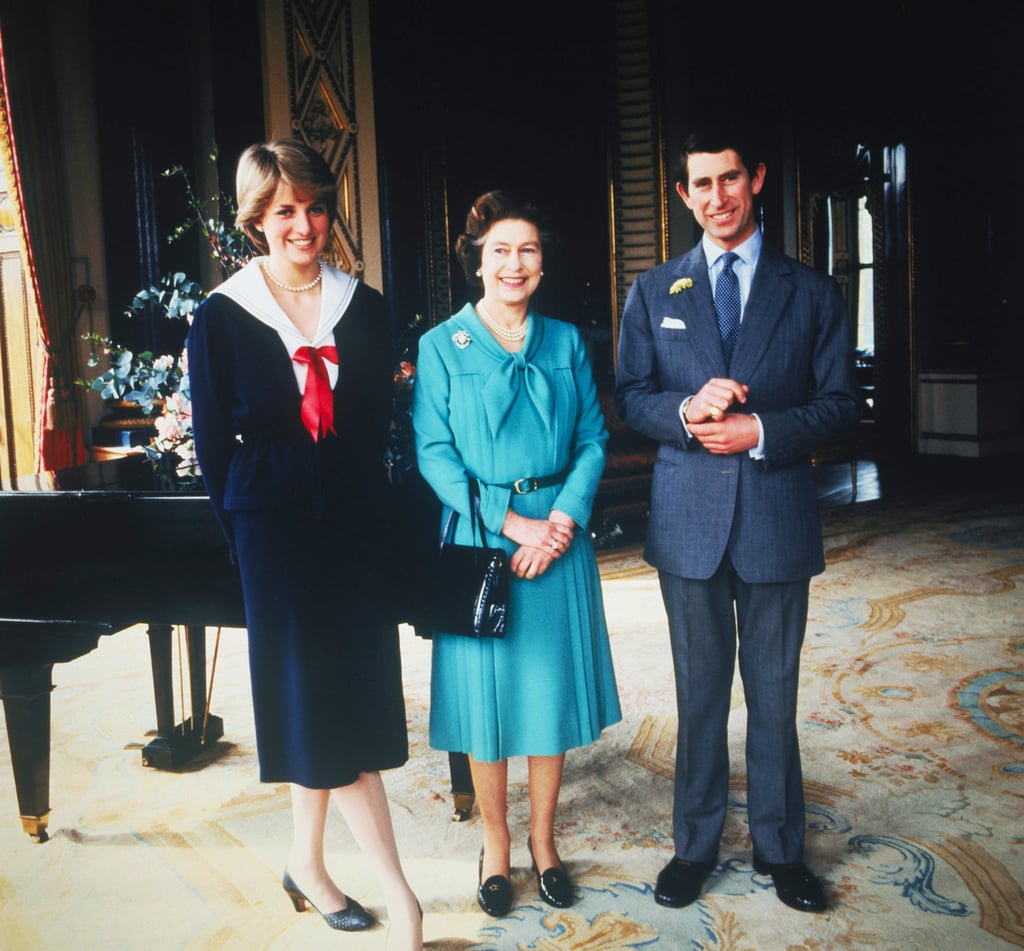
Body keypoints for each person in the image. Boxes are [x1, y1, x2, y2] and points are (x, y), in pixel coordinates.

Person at [614, 124, 861, 914]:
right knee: (698, 693)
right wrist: (687, 410)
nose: (716, 198)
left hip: (777, 517)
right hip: (687, 519)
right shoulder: (655, 291)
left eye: (730, 179)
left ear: (754, 179)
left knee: (775, 691)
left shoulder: (814, 291)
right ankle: (695, 844)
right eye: (700, 185)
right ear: (683, 195)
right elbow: (630, 396)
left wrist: (761, 431)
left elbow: (840, 403)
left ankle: (781, 849)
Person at [187, 139, 422, 951]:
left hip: (355, 530)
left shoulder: (368, 306)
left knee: (340, 701)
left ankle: (305, 866)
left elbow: (377, 433)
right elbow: (216, 449)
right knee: (314, 701)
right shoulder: (221, 316)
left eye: (315, 206)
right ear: (258, 219)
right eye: (284, 209)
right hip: (273, 533)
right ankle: (401, 897)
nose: (304, 224)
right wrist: (247, 539)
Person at [412, 190, 621, 917]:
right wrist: (513, 523)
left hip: (559, 536)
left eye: (527, 249)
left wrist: (560, 518)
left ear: (541, 263)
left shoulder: (565, 341)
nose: (514, 263)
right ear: (476, 260)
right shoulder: (441, 345)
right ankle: (496, 844)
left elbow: (595, 437)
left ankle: (545, 841)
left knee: (547, 696)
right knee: (487, 705)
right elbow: (434, 456)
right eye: (499, 249)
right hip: (481, 540)